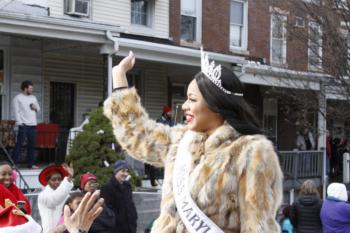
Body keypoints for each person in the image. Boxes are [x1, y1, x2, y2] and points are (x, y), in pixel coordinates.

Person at [103, 50, 283, 232]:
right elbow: (138, 136)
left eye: (192, 99)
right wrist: (119, 77)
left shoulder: (252, 152)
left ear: (217, 104)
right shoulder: (181, 140)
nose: (184, 105)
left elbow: (258, 226)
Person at [100, 160, 137, 233]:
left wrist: (134, 217)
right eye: (123, 171)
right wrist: (117, 221)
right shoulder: (107, 188)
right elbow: (107, 210)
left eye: (127, 171)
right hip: (116, 229)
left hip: (130, 227)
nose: (126, 174)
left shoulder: (127, 186)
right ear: (116, 171)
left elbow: (131, 204)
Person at [12, 80, 40, 168]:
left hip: (33, 125)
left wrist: (35, 107)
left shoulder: (33, 98)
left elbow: (38, 109)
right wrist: (20, 123)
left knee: (31, 145)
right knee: (19, 144)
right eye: (30, 88)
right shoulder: (18, 98)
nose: (32, 90)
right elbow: (16, 112)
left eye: (32, 88)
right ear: (25, 88)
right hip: (23, 124)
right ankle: (14, 163)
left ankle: (30, 164)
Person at [38, 164, 74, 233]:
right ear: (48, 181)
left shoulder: (66, 195)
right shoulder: (42, 196)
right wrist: (69, 178)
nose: (57, 182)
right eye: (53, 179)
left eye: (59, 179)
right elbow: (55, 199)